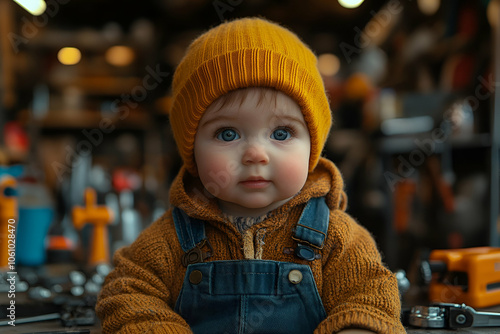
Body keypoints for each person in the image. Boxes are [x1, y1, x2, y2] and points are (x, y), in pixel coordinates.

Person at [96, 17, 405, 334]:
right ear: (191, 150)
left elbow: (371, 298)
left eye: (282, 133)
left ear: (313, 147)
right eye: (228, 134)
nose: (256, 154)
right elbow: (126, 291)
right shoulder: (172, 237)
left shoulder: (337, 237)